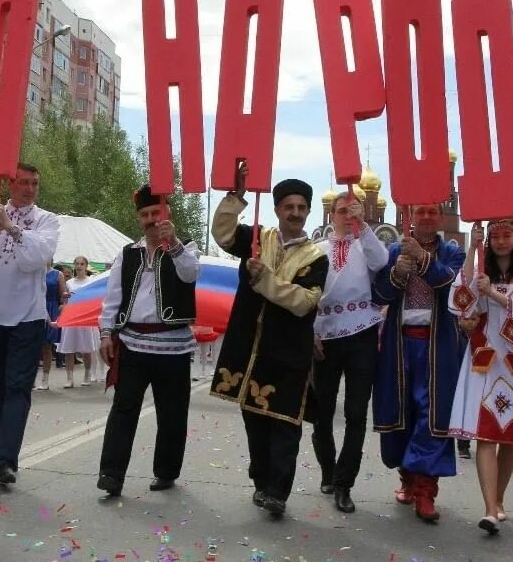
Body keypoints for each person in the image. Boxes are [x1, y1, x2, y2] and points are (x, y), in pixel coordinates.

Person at [211, 170, 328, 518]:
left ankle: (278, 490)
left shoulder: (315, 257)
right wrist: (236, 196)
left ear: (308, 212)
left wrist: (264, 279)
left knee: (285, 422)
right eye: (289, 206)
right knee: (255, 421)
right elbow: (222, 234)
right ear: (277, 209)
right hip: (249, 348)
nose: (295, 212)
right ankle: (261, 481)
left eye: (301, 207)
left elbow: (304, 301)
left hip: (288, 352)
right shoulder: (258, 238)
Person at [96, 184, 201, 496]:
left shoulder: (186, 250)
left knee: (172, 413)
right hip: (133, 343)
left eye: (156, 212)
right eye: (145, 214)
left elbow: (190, 274)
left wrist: (175, 243)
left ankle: (166, 472)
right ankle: (111, 475)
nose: (151, 219)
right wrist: (105, 333)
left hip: (174, 346)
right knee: (123, 410)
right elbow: (112, 297)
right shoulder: (128, 254)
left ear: (166, 213)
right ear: (139, 218)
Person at [447, 219, 513, 535]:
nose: (501, 241)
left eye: (507, 235)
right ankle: (490, 509)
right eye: (495, 236)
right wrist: (470, 250)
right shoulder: (480, 273)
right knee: (486, 434)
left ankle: (499, 499)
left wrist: (496, 294)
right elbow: (460, 301)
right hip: (485, 359)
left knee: (510, 439)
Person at [0, 162, 60, 486]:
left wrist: (13, 228)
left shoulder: (47, 220)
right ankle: (1, 455)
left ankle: (5, 460)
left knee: (17, 387)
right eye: (22, 182)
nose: (29, 188)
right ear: (11, 183)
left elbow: (36, 259)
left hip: (26, 316)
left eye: (34, 183)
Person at [372, 203, 467, 523]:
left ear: (439, 217)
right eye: (420, 212)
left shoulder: (452, 252)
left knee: (433, 414)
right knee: (401, 411)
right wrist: (397, 271)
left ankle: (426, 490)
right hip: (399, 345)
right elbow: (381, 294)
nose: (426, 217)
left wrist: (423, 258)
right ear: (410, 217)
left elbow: (450, 285)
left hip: (438, 344)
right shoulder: (393, 250)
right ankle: (407, 478)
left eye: (431, 212)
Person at [309, 192, 388, 513]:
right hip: (325, 336)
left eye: (351, 210)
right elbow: (307, 295)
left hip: (362, 333)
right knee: (322, 413)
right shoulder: (317, 250)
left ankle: (345, 483)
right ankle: (328, 470)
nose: (346, 215)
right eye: (341, 211)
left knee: (356, 412)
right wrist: (310, 332)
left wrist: (364, 225)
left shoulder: (366, 245)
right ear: (331, 215)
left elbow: (382, 262)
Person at [59, 256, 98, 385]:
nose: (79, 266)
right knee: (69, 349)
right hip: (71, 317)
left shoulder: (91, 281)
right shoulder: (69, 283)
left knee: (86, 349)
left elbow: (95, 299)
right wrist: (63, 315)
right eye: (77, 264)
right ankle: (69, 378)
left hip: (85, 317)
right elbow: (65, 301)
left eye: (82, 264)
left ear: (86, 266)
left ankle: (87, 375)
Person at [38, 263, 69, 390]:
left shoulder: (57, 274)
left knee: (47, 346)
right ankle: (29, 379)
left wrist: (64, 301)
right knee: (31, 346)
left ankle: (45, 380)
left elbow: (63, 294)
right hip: (34, 306)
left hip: (51, 308)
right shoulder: (34, 270)